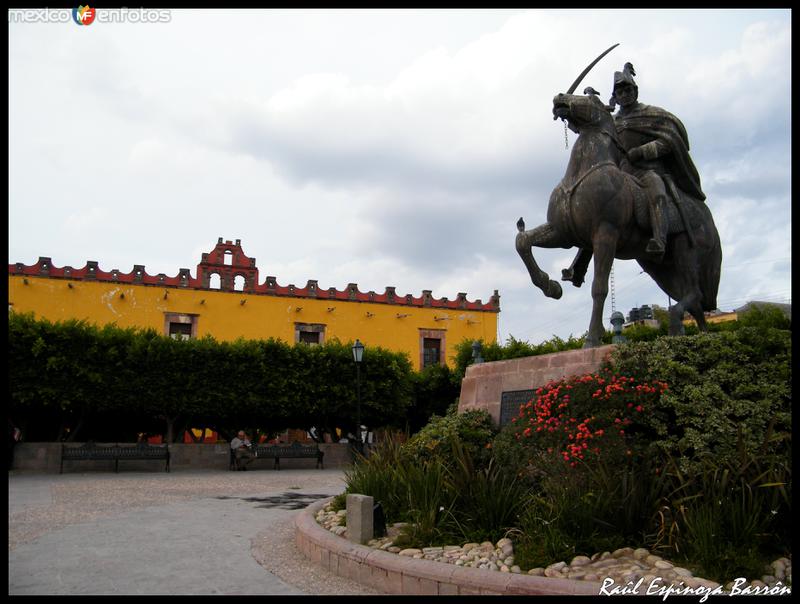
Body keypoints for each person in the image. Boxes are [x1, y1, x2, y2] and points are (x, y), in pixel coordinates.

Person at [563, 62, 706, 285]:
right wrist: (567, 112)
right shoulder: (613, 121)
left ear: (635, 91)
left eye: (628, 90)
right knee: (596, 209)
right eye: (619, 92)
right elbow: (587, 127)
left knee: (657, 191)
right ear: (615, 97)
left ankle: (659, 240)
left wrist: (643, 151)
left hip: (647, 172)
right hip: (619, 175)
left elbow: (671, 141)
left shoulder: (653, 115)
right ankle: (579, 265)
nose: (624, 94)